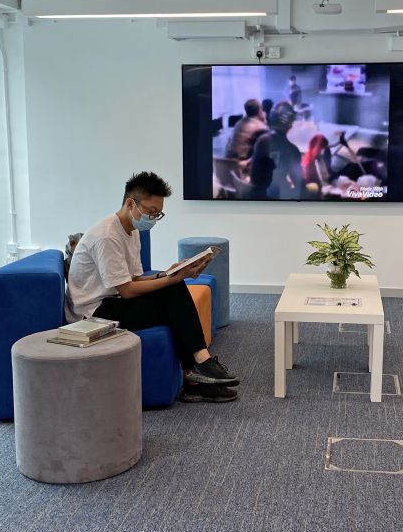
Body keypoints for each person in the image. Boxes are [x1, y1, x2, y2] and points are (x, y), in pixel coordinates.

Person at [65, 171, 240, 403]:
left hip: (114, 300)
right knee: (174, 295)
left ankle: (196, 374)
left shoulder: (131, 230)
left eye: (158, 214)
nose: (154, 218)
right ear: (130, 204)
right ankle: (200, 368)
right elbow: (127, 290)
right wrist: (172, 280)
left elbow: (134, 279)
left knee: (173, 291)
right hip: (93, 313)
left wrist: (167, 273)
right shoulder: (107, 236)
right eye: (151, 212)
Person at [251, 101, 302, 200]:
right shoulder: (293, 151)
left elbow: (255, 175)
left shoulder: (262, 141)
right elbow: (297, 183)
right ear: (290, 125)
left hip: (255, 196)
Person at [223, 98, 268, 163]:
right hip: (242, 165)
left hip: (226, 163)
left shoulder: (239, 123)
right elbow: (269, 141)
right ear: (259, 111)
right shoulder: (260, 126)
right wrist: (264, 120)